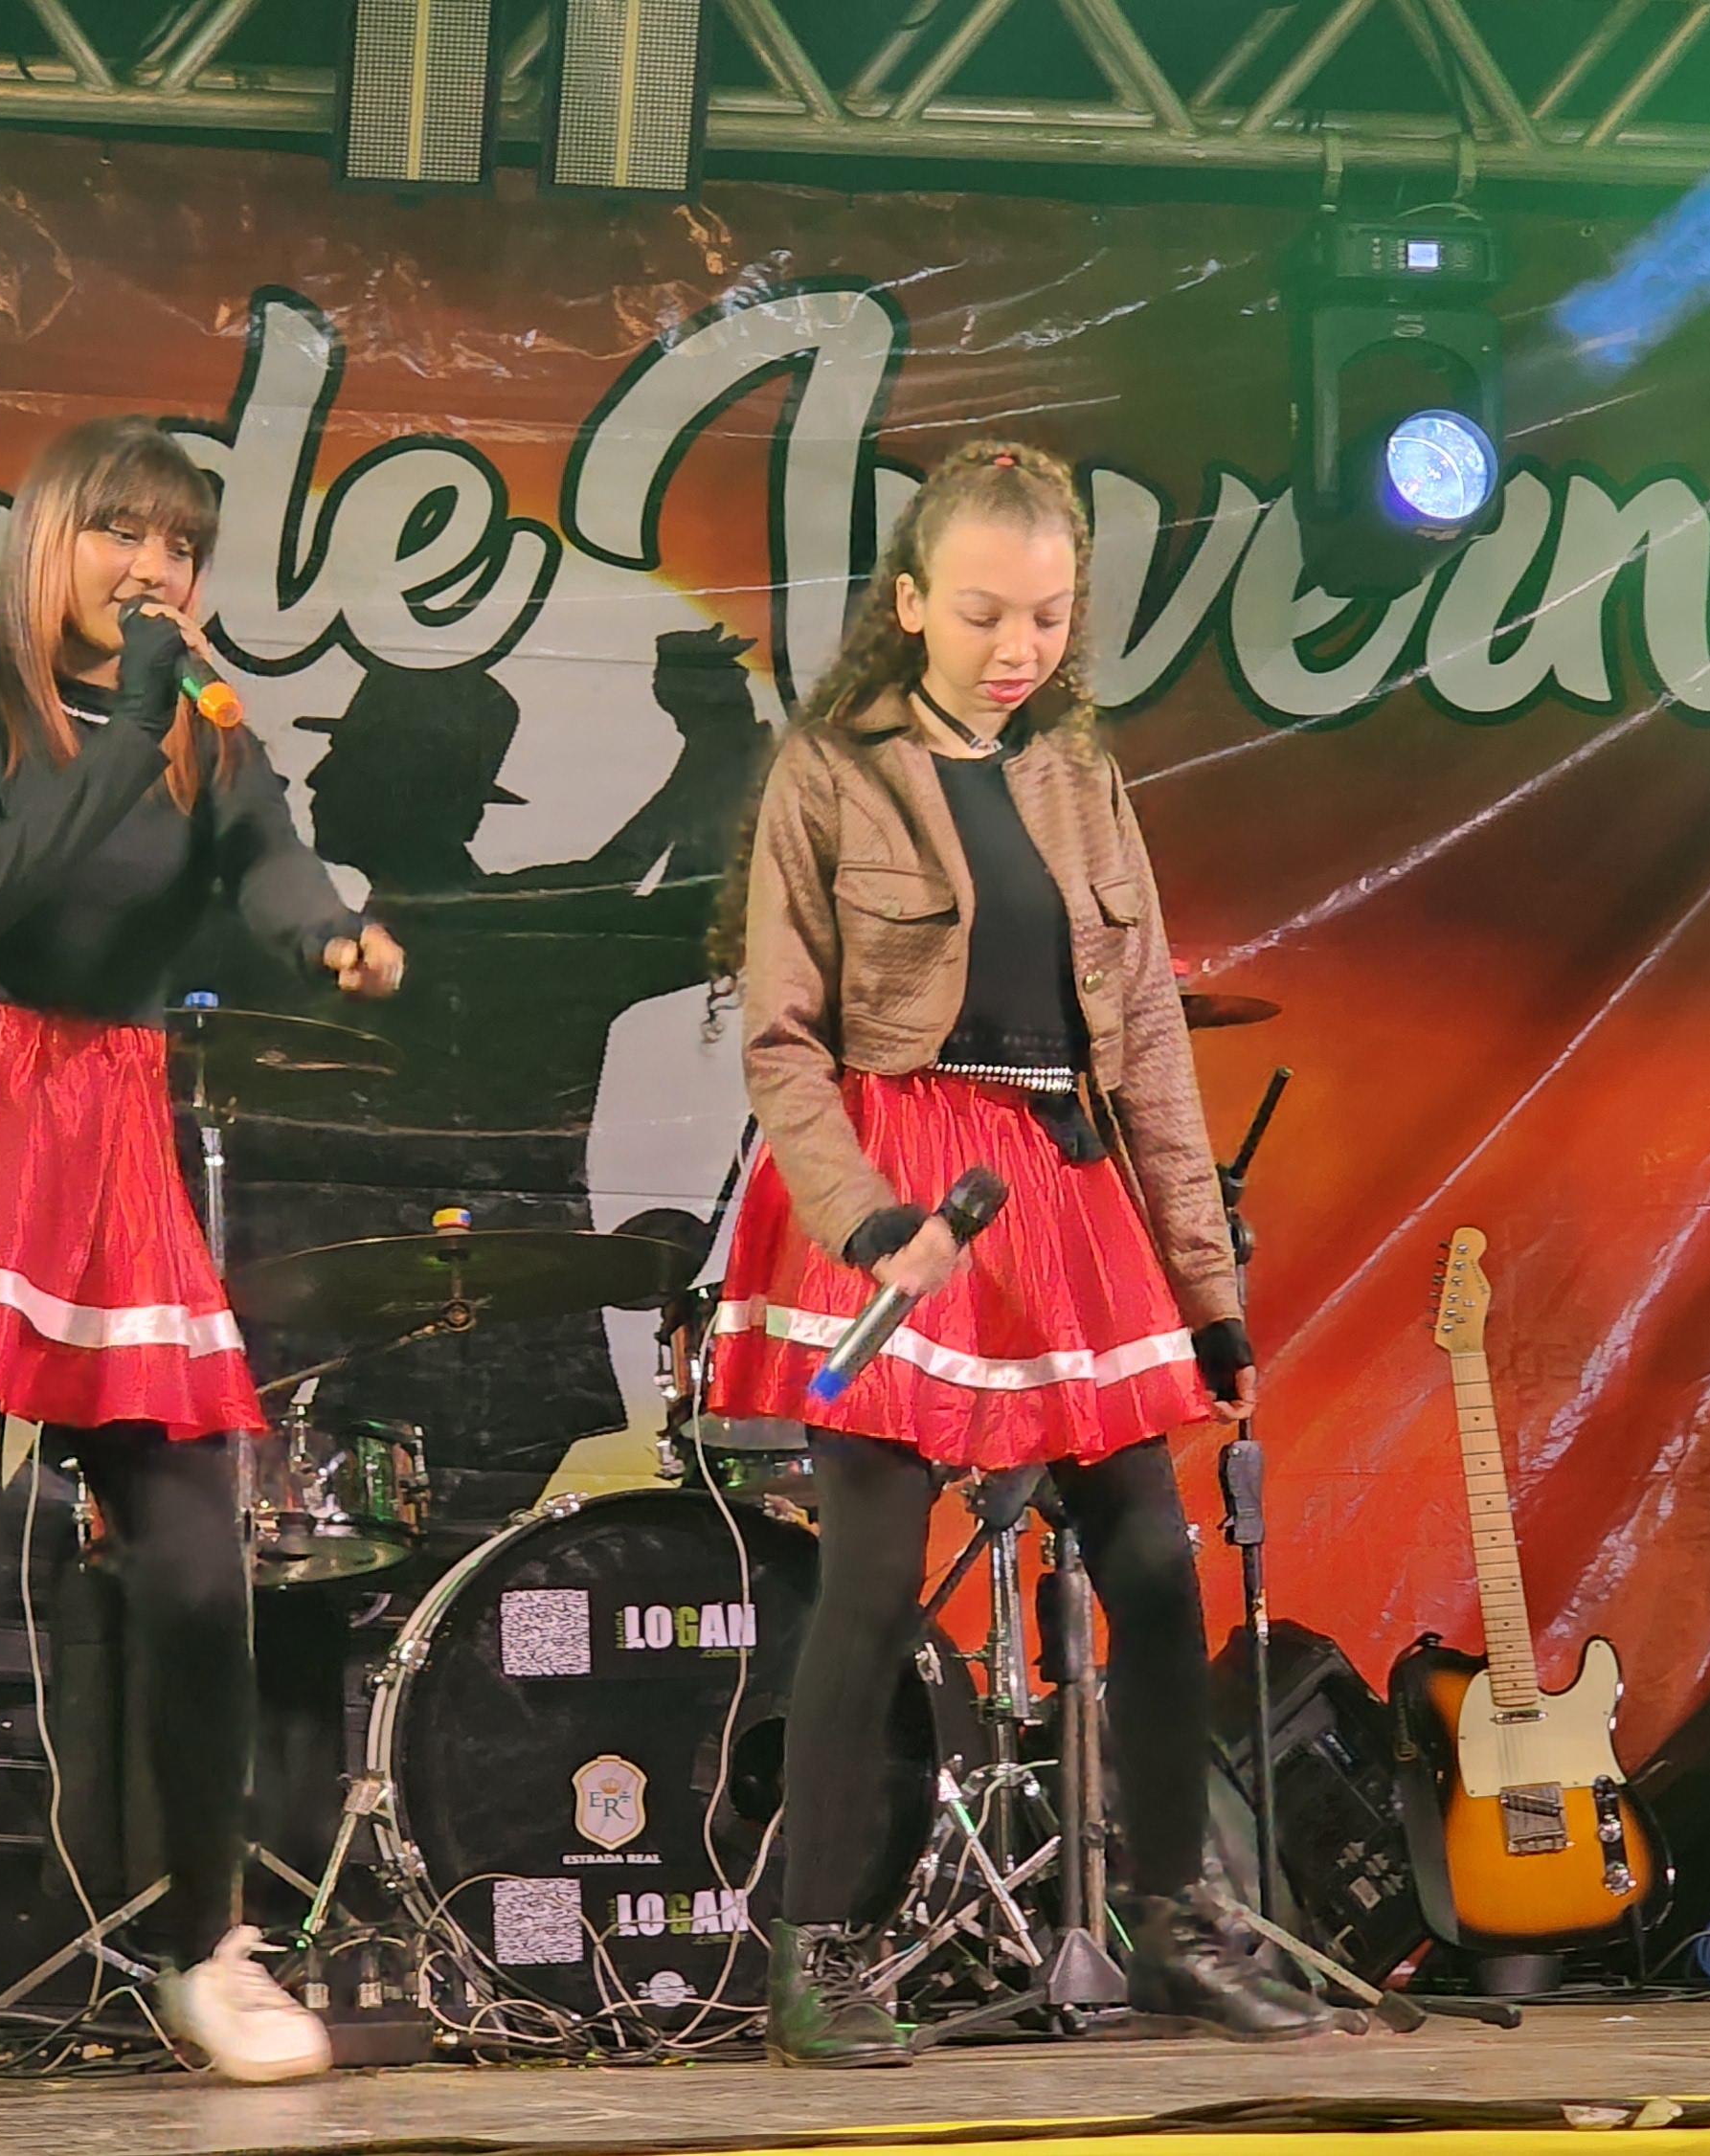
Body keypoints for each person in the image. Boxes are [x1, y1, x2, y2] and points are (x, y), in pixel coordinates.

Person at [0, 415, 406, 2102]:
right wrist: (130, 730)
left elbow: (269, 857)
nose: (155, 569)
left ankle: (209, 1950)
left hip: (109, 1132)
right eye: (123, 532)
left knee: (201, 1575)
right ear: (49, 537)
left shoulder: (203, 719)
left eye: (181, 545)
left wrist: (328, 935)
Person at [709, 438, 1331, 2065]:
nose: (1018, 647)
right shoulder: (832, 770)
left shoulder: (1079, 775)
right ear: (912, 602)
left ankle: (1177, 1924)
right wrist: (868, 1220)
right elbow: (781, 1039)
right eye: (985, 613)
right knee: (870, 1584)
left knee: (1154, 1567)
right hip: (903, 1173)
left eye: (1047, 618)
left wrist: (1206, 1293)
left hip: (1060, 1182)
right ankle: (819, 1961)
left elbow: (1151, 1051)